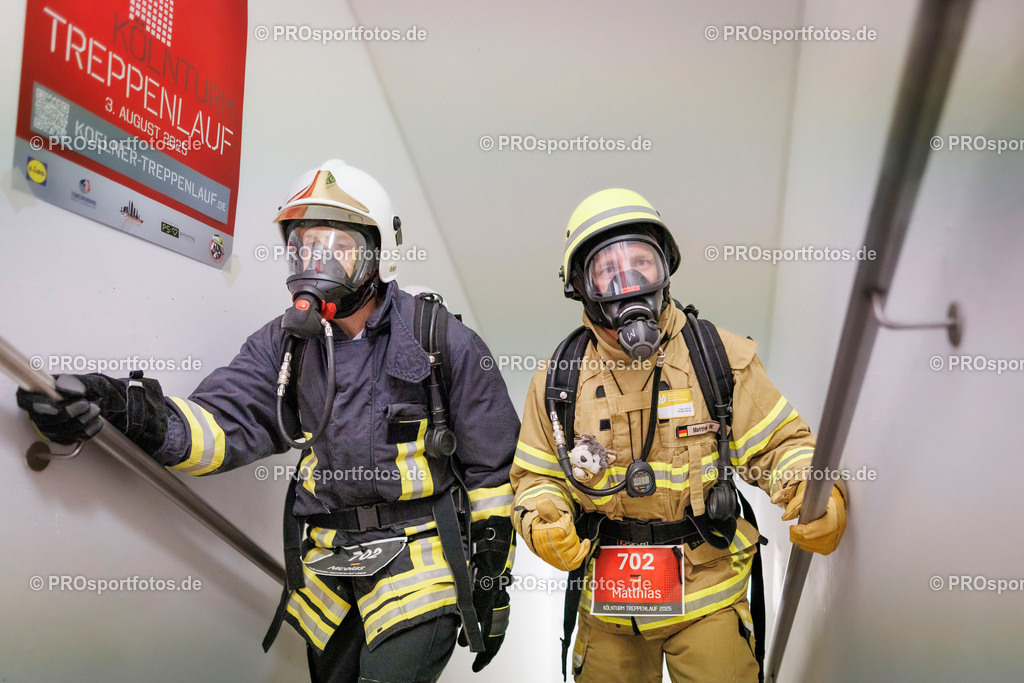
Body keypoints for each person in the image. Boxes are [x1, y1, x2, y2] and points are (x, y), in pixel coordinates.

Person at [16, 159, 520, 683]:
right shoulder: (285, 344)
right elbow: (219, 425)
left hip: (420, 566)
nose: (316, 260)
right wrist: (120, 409)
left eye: (338, 247)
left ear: (378, 255)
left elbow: (494, 472)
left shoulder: (441, 340)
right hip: (332, 566)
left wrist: (490, 582)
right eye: (305, 244)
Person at [510, 188, 846, 682]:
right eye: (608, 270)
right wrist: (545, 522)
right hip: (608, 609)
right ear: (580, 286)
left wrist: (814, 490)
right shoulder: (559, 379)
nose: (628, 281)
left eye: (641, 262)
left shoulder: (719, 358)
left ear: (666, 268)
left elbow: (781, 447)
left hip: (708, 593)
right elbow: (535, 477)